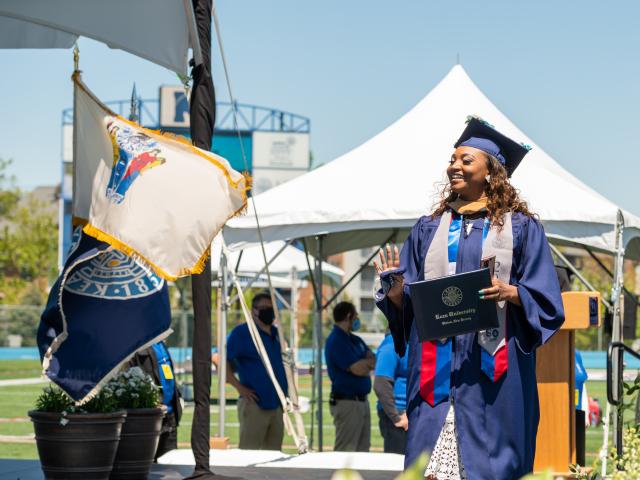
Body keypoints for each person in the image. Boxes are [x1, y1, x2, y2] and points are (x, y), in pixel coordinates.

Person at [375, 116, 564, 479]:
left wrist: (514, 293)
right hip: (435, 374)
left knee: (493, 466)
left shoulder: (521, 228)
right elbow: (411, 304)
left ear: (492, 172)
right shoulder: (429, 228)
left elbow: (547, 300)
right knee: (429, 466)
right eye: (452, 159)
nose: (453, 167)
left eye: (465, 160)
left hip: (494, 373)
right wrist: (397, 295)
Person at [226, 292, 288, 450]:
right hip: (255, 405)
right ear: (253, 310)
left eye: (271, 307)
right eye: (264, 308)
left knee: (274, 456)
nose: (269, 311)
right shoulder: (242, 333)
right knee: (249, 455)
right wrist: (239, 387)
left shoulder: (276, 333)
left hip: (277, 405)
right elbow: (220, 359)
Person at [325, 301, 375, 452]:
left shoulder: (355, 339)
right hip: (347, 403)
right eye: (356, 316)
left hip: (361, 402)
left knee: (363, 451)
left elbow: (373, 360)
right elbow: (357, 369)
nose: (357, 320)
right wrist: (366, 365)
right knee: (345, 453)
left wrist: (364, 364)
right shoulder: (336, 340)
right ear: (348, 316)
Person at [128, 340, 182, 460]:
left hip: (170, 415)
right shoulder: (136, 345)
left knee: (169, 466)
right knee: (150, 466)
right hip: (152, 417)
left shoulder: (161, 344)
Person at [374, 331, 409, 454]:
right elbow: (381, 384)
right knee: (398, 467)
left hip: (407, 413)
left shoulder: (405, 343)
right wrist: (397, 418)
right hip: (399, 414)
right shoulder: (391, 345)